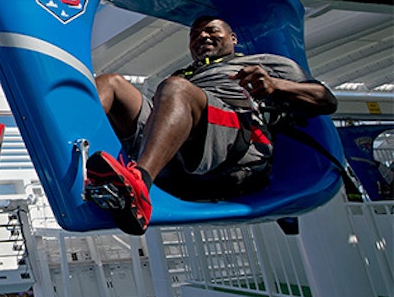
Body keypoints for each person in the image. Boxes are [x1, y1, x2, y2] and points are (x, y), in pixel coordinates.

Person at [84, 16, 337, 235]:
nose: (202, 36)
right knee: (111, 82)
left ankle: (139, 185)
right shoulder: (184, 75)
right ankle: (73, 162)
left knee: (175, 88)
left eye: (211, 30)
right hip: (175, 154)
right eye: (194, 35)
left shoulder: (264, 63)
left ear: (233, 38)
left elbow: (325, 100)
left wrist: (276, 85)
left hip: (234, 145)